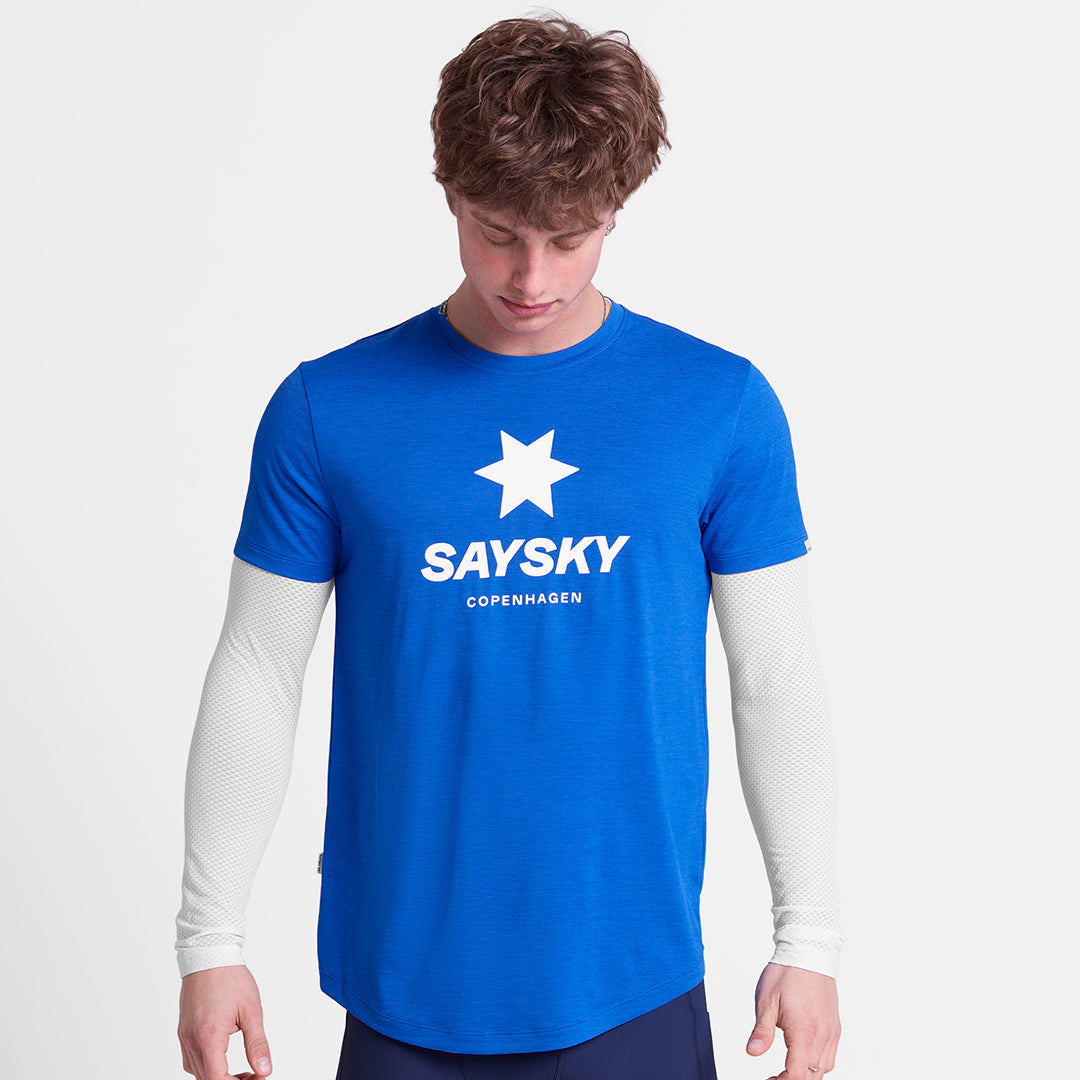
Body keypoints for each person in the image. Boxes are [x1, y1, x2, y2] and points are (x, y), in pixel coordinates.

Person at [176, 14, 843, 1080]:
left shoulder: (719, 406)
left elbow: (775, 674)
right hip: (405, 983)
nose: (531, 275)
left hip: (631, 978)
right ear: (449, 192)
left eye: (569, 238)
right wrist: (210, 939)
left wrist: (808, 938)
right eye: (497, 232)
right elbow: (259, 667)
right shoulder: (327, 409)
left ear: (616, 210)